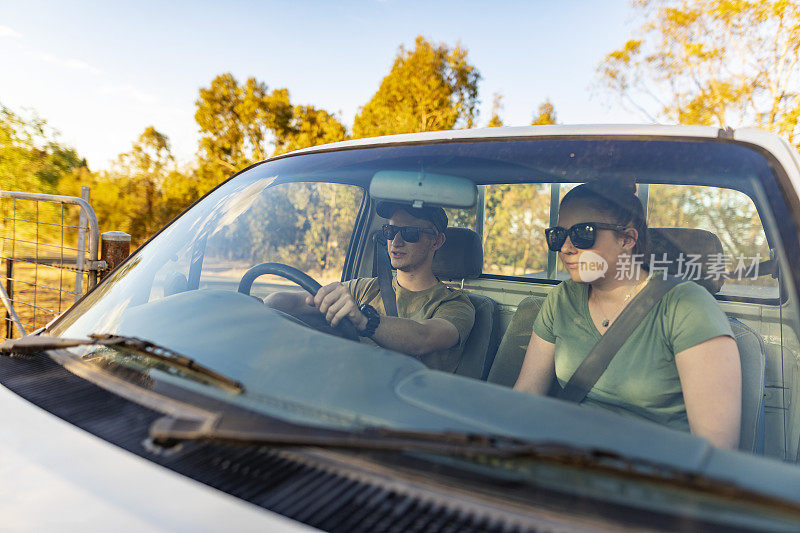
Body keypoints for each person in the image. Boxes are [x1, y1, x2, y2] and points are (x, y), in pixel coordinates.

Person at [513, 182, 742, 449]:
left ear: (627, 239)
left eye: (581, 234)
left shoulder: (686, 307)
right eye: (557, 235)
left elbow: (715, 450)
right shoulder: (562, 298)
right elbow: (527, 395)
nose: (565, 248)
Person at [263, 201, 475, 372]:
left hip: (408, 411)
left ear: (436, 242)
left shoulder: (455, 304)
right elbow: (290, 302)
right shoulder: (363, 288)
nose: (396, 241)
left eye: (410, 233)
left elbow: (422, 338)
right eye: (390, 231)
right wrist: (262, 305)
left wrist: (364, 320)